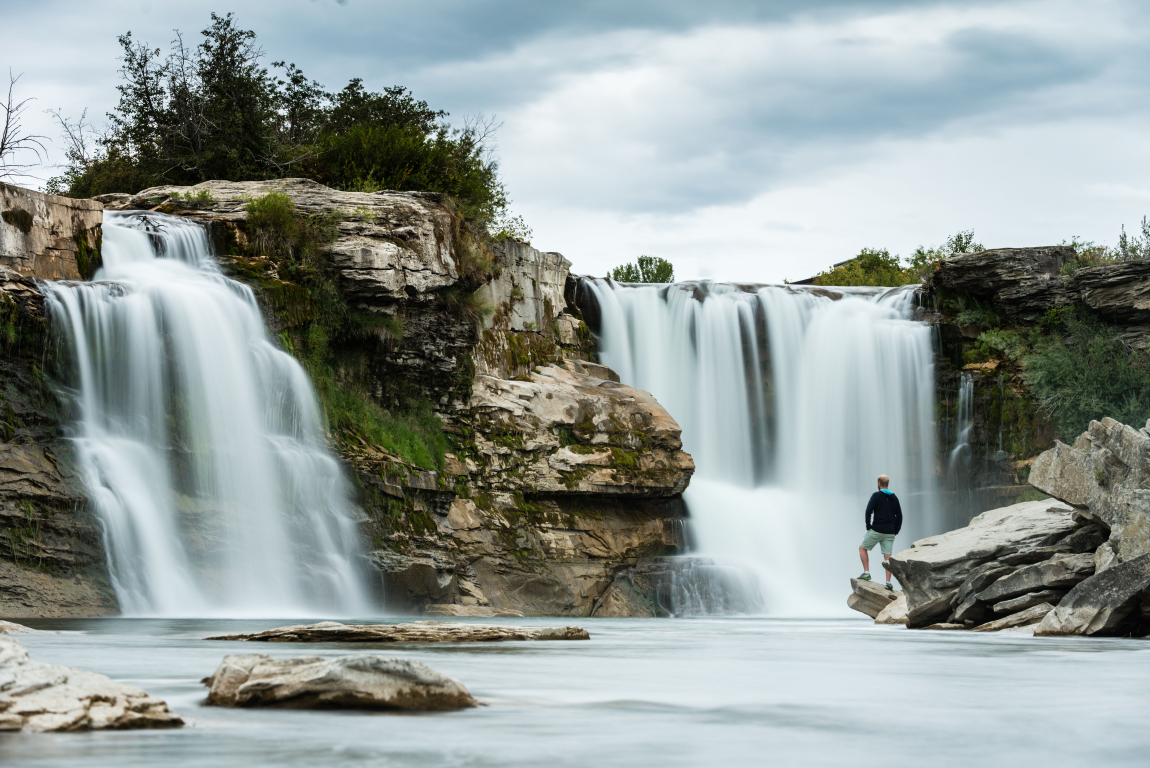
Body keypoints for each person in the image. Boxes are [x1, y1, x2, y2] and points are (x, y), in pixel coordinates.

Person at [858, 474, 902, 590]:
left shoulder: (876, 495)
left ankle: (866, 572)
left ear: (879, 483)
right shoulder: (894, 497)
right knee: (887, 557)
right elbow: (900, 516)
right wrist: (895, 530)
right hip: (890, 531)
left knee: (862, 548)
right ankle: (888, 583)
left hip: (877, 529)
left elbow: (868, 511)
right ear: (887, 484)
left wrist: (868, 526)